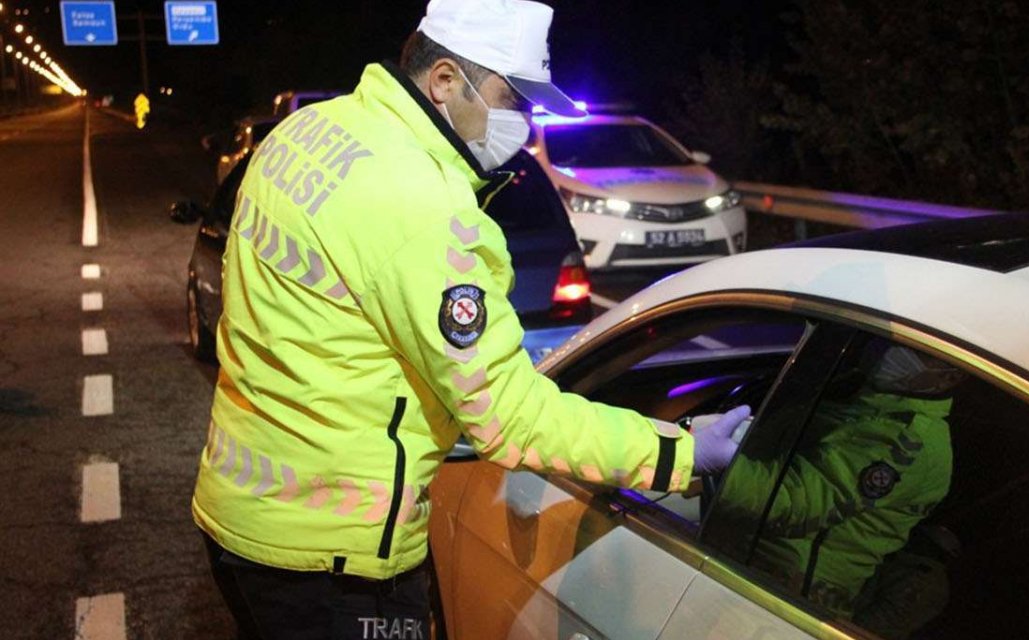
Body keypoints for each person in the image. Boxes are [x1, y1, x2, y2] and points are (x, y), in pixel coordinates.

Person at [190, 1, 749, 638]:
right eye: (514, 98)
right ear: (445, 82)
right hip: (333, 554)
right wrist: (680, 452)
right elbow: (509, 417)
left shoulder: (309, 131)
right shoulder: (421, 205)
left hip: (242, 510)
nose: (525, 120)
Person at [717, 340, 966, 639]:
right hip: (749, 567)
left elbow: (793, 502)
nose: (891, 350)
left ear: (949, 377)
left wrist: (709, 464)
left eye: (919, 352)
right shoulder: (869, 400)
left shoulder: (910, 439)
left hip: (788, 598)